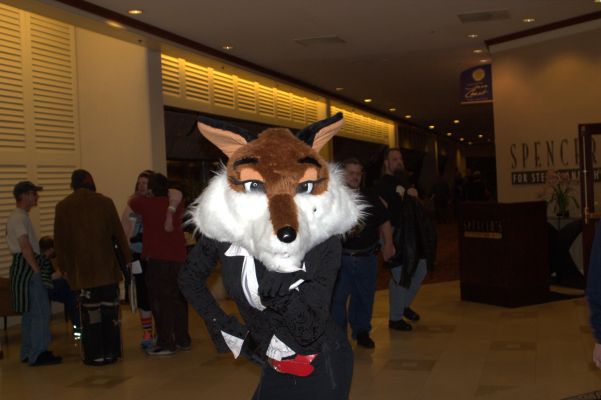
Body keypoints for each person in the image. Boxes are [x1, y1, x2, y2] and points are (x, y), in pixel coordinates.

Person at [179, 113, 359, 399]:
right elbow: (189, 278)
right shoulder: (228, 233)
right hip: (273, 364)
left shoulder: (321, 241)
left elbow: (309, 331)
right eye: (259, 186)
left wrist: (282, 288)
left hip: (321, 364)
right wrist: (228, 331)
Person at [54, 169, 131, 366]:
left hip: (83, 274)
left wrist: (64, 268)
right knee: (110, 313)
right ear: (90, 182)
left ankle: (94, 355)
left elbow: (60, 243)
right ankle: (111, 353)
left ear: (73, 184)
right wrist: (127, 260)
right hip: (107, 271)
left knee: (90, 315)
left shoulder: (63, 207)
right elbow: (118, 234)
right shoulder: (105, 202)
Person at [331, 158, 394, 348]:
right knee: (337, 300)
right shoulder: (332, 198)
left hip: (367, 257)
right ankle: (338, 336)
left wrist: (389, 244)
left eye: (358, 173)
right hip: (341, 259)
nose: (355, 177)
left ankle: (362, 332)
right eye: (351, 173)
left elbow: (384, 221)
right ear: (342, 174)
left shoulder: (370, 196)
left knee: (364, 297)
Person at [129, 172, 190, 356]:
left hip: (158, 259)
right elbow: (177, 193)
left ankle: (166, 343)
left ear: (151, 188)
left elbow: (132, 201)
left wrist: (143, 193)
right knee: (178, 300)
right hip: (179, 257)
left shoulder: (144, 203)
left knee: (160, 303)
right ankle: (182, 340)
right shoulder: (176, 204)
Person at [374, 148, 435, 332]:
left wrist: (415, 198)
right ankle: (395, 318)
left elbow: (417, 209)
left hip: (411, 235)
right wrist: (386, 243)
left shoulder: (405, 181)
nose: (399, 162)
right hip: (392, 234)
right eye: (394, 159)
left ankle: (403, 305)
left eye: (400, 158)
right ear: (386, 163)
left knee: (421, 269)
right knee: (400, 276)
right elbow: (383, 215)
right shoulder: (381, 185)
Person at [6, 181, 62, 366]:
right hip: (29, 269)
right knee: (40, 311)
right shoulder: (18, 218)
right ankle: (38, 353)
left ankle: (28, 351)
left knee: (29, 313)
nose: (36, 196)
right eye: (33, 193)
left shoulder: (19, 216)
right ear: (24, 195)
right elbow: (24, 246)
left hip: (23, 268)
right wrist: (37, 271)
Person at [38, 236, 81, 339]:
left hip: (51, 288)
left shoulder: (46, 259)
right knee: (68, 290)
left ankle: (78, 328)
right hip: (45, 288)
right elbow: (44, 278)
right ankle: (78, 328)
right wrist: (57, 275)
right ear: (50, 249)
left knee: (69, 295)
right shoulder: (41, 260)